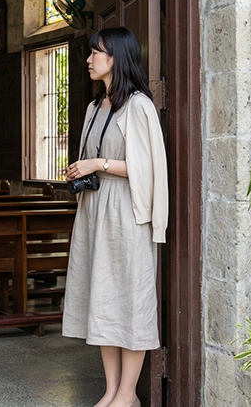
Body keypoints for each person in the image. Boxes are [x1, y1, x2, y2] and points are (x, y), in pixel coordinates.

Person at [62, 27, 168, 407]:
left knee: (130, 299)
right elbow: (93, 158)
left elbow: (150, 166)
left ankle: (128, 394)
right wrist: (80, 169)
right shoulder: (94, 108)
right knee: (102, 298)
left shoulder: (138, 105)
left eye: (96, 53)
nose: (89, 59)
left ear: (117, 58)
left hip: (126, 211)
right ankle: (110, 389)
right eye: (90, 53)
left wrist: (99, 163)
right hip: (94, 210)